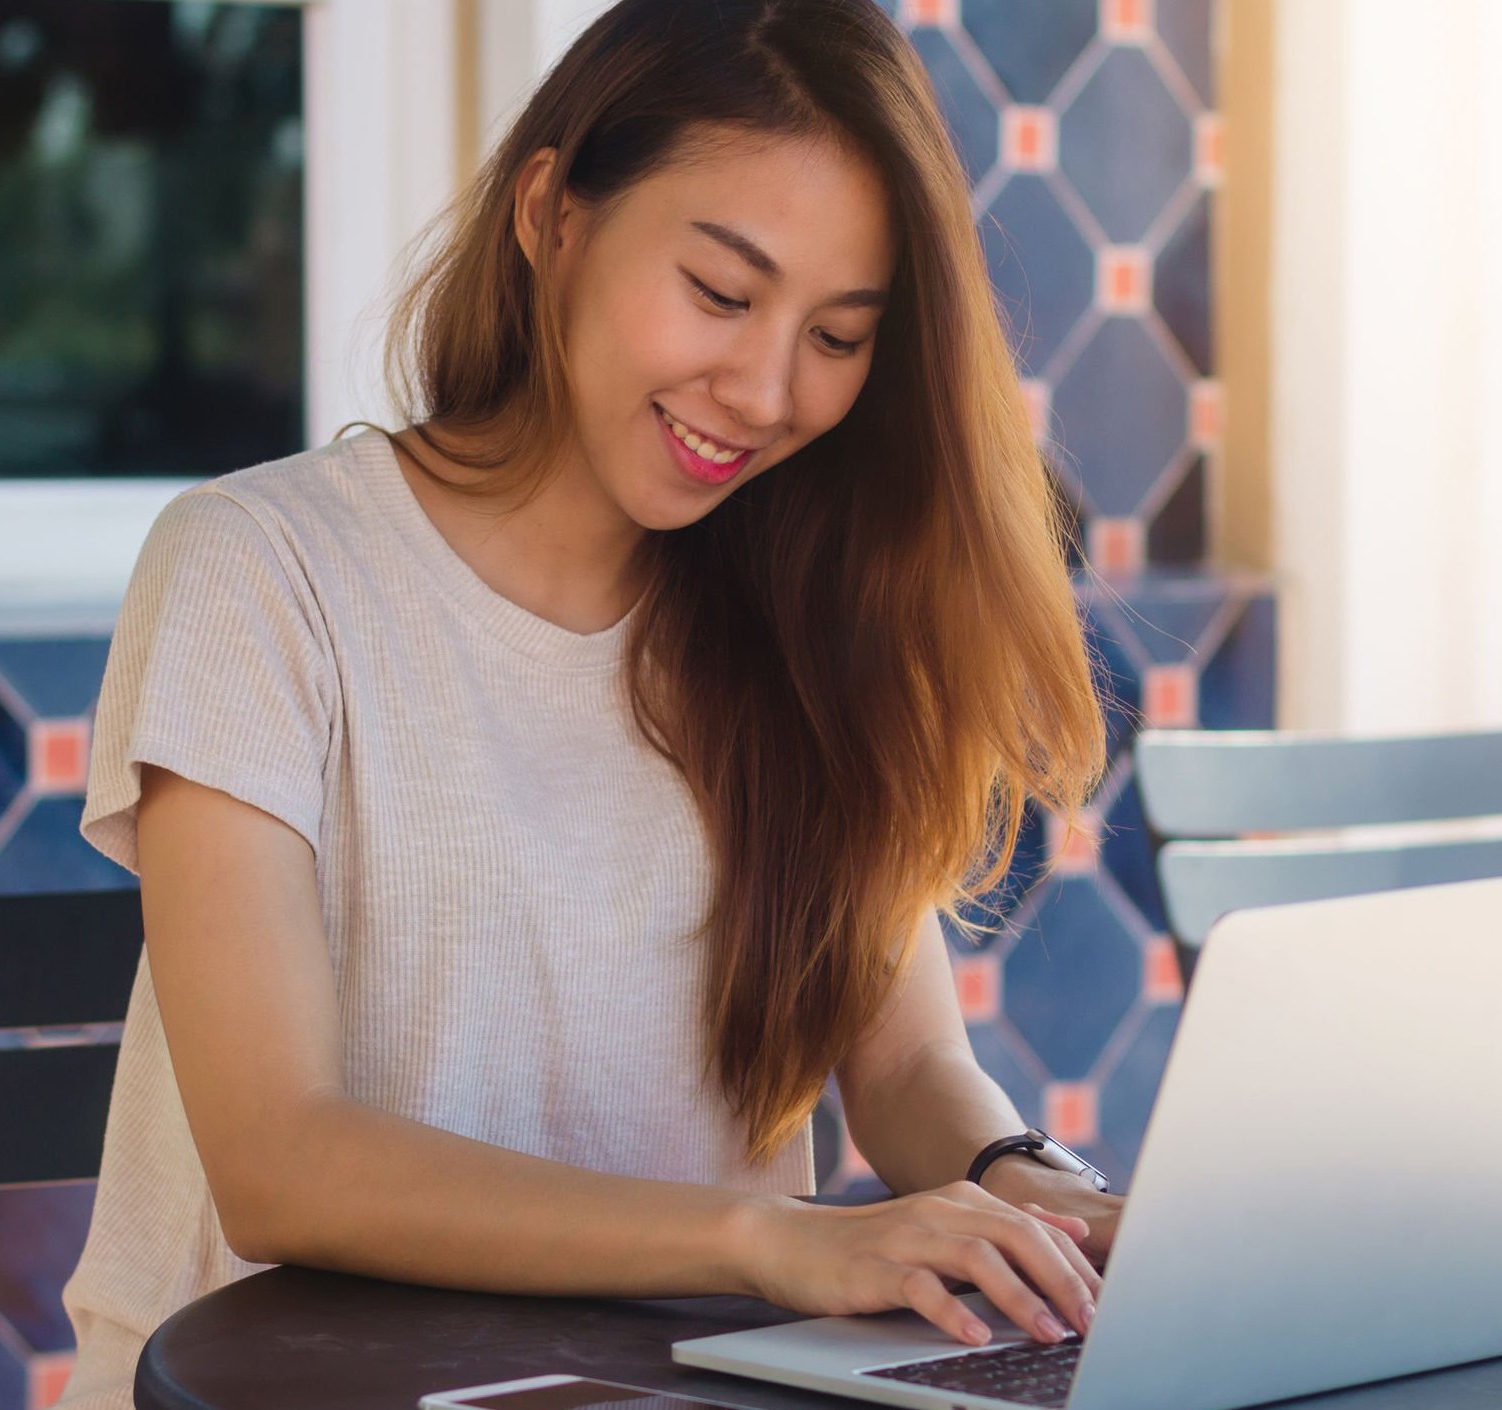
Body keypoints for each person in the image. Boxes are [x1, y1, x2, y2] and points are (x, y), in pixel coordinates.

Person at [58, 2, 1113, 1403]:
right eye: (723, 295)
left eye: (840, 336)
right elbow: (281, 1163)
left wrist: (1030, 1188)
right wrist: (776, 1239)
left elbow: (912, 1060)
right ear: (553, 211)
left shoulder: (805, 622)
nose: (765, 390)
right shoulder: (263, 569)